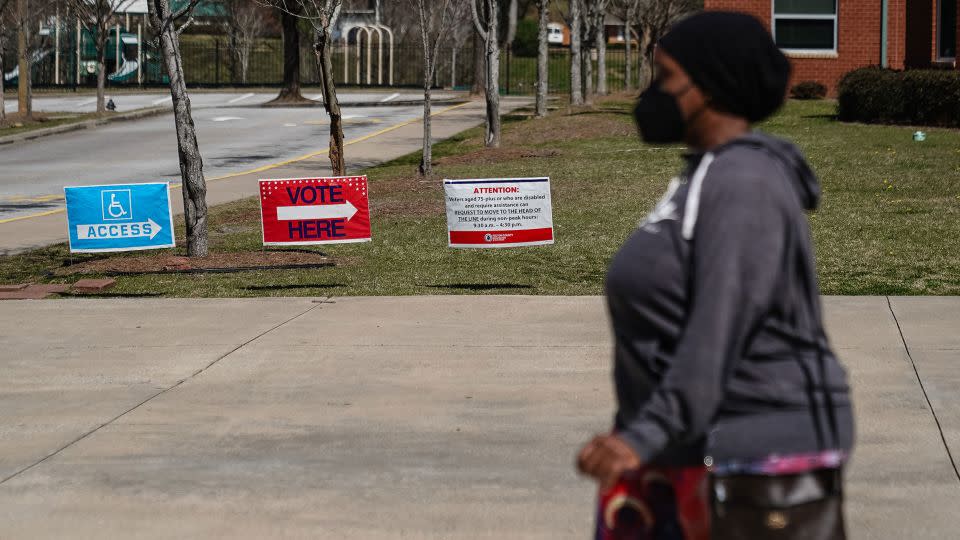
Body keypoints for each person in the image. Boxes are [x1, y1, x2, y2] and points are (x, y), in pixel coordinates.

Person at [576, 12, 854, 539]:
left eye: (665, 77)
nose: (652, 92)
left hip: (750, 460)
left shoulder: (744, 182)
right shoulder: (705, 174)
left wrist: (642, 437)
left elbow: (720, 327)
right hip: (683, 443)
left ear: (710, 86)